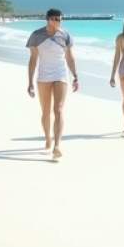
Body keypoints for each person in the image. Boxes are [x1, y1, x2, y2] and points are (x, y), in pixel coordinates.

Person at [26, 8, 79, 160]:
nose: (58, 21)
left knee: (59, 109)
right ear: (47, 19)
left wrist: (75, 76)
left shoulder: (65, 35)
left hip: (60, 74)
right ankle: (48, 138)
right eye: (55, 19)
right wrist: (30, 82)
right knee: (46, 111)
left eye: (60, 19)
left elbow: (70, 57)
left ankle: (57, 145)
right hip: (43, 76)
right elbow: (33, 59)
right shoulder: (36, 35)